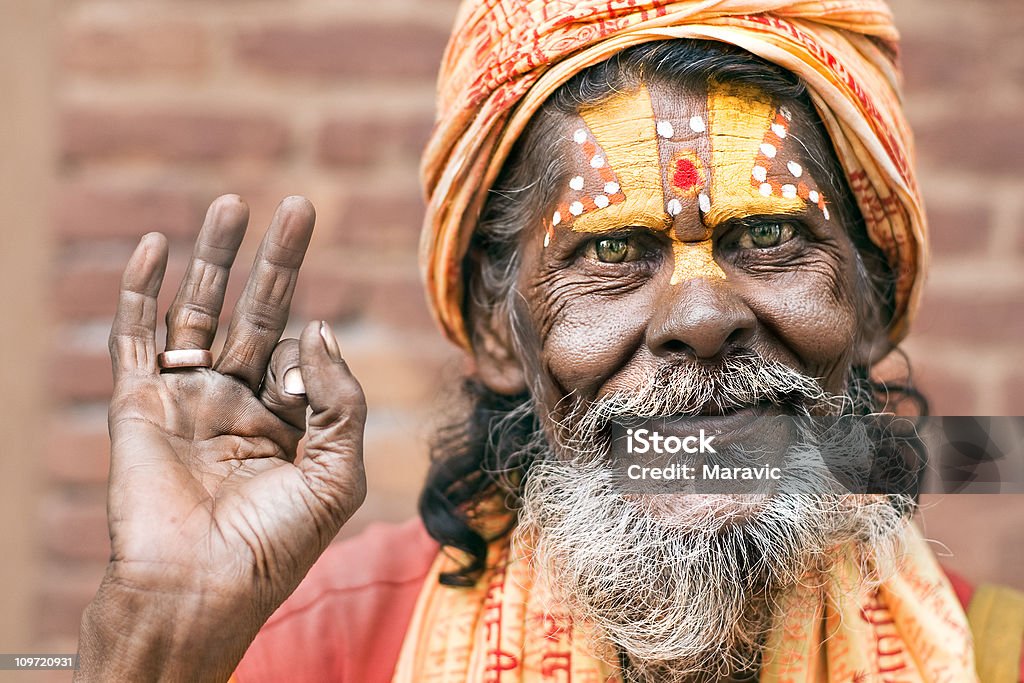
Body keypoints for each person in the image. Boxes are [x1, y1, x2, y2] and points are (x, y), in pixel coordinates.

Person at [73, 1, 1024, 682]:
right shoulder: (322, 646)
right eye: (613, 249)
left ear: (871, 297)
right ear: (496, 330)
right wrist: (159, 639)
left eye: (770, 236)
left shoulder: (995, 657)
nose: (700, 317)